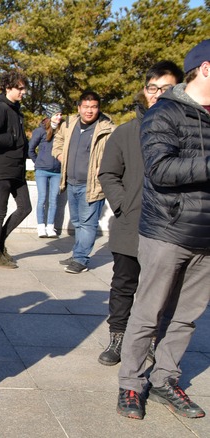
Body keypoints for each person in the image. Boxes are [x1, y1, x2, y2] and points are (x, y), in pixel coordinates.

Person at [116, 39, 210, 420]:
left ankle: (166, 379)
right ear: (206, 69)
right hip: (167, 231)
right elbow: (161, 170)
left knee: (187, 316)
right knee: (148, 313)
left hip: (206, 237)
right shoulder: (164, 114)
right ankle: (131, 385)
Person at [97, 61, 183, 367]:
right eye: (152, 88)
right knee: (123, 285)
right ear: (145, 91)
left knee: (163, 289)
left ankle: (152, 340)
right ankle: (117, 339)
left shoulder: (187, 131)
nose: (158, 94)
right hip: (130, 223)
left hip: (171, 227)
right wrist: (123, 205)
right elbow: (108, 173)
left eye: (166, 88)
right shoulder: (125, 132)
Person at [51, 90, 115, 274]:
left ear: (98, 108)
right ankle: (77, 253)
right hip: (71, 181)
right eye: (86, 107)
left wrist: (104, 167)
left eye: (93, 107)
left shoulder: (107, 128)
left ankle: (80, 259)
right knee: (78, 222)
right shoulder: (69, 123)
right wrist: (61, 155)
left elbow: (116, 153)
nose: (89, 111)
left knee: (88, 223)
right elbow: (58, 141)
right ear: (79, 108)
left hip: (92, 184)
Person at [0, 71, 33, 268]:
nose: (23, 92)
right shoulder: (0, 108)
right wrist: (14, 138)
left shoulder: (15, 108)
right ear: (8, 87)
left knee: (25, 207)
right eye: (19, 88)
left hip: (17, 168)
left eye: (23, 88)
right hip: (2, 168)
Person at [28, 103, 63, 238]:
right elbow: (30, 149)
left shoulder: (62, 131)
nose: (59, 117)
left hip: (57, 171)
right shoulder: (40, 131)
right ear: (50, 115)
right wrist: (38, 162)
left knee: (53, 199)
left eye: (60, 114)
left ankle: (50, 227)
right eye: (56, 114)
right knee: (42, 198)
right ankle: (40, 227)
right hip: (42, 171)